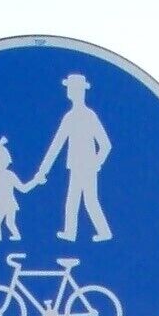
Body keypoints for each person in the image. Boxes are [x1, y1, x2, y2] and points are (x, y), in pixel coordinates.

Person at [22, 72, 113, 243]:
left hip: (87, 168)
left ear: (78, 91)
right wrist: (42, 171)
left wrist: (96, 163)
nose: (68, 91)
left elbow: (106, 145)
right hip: (75, 167)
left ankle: (104, 232)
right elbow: (56, 145)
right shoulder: (69, 117)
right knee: (73, 200)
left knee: (89, 201)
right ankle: (70, 233)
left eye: (71, 88)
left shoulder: (88, 116)